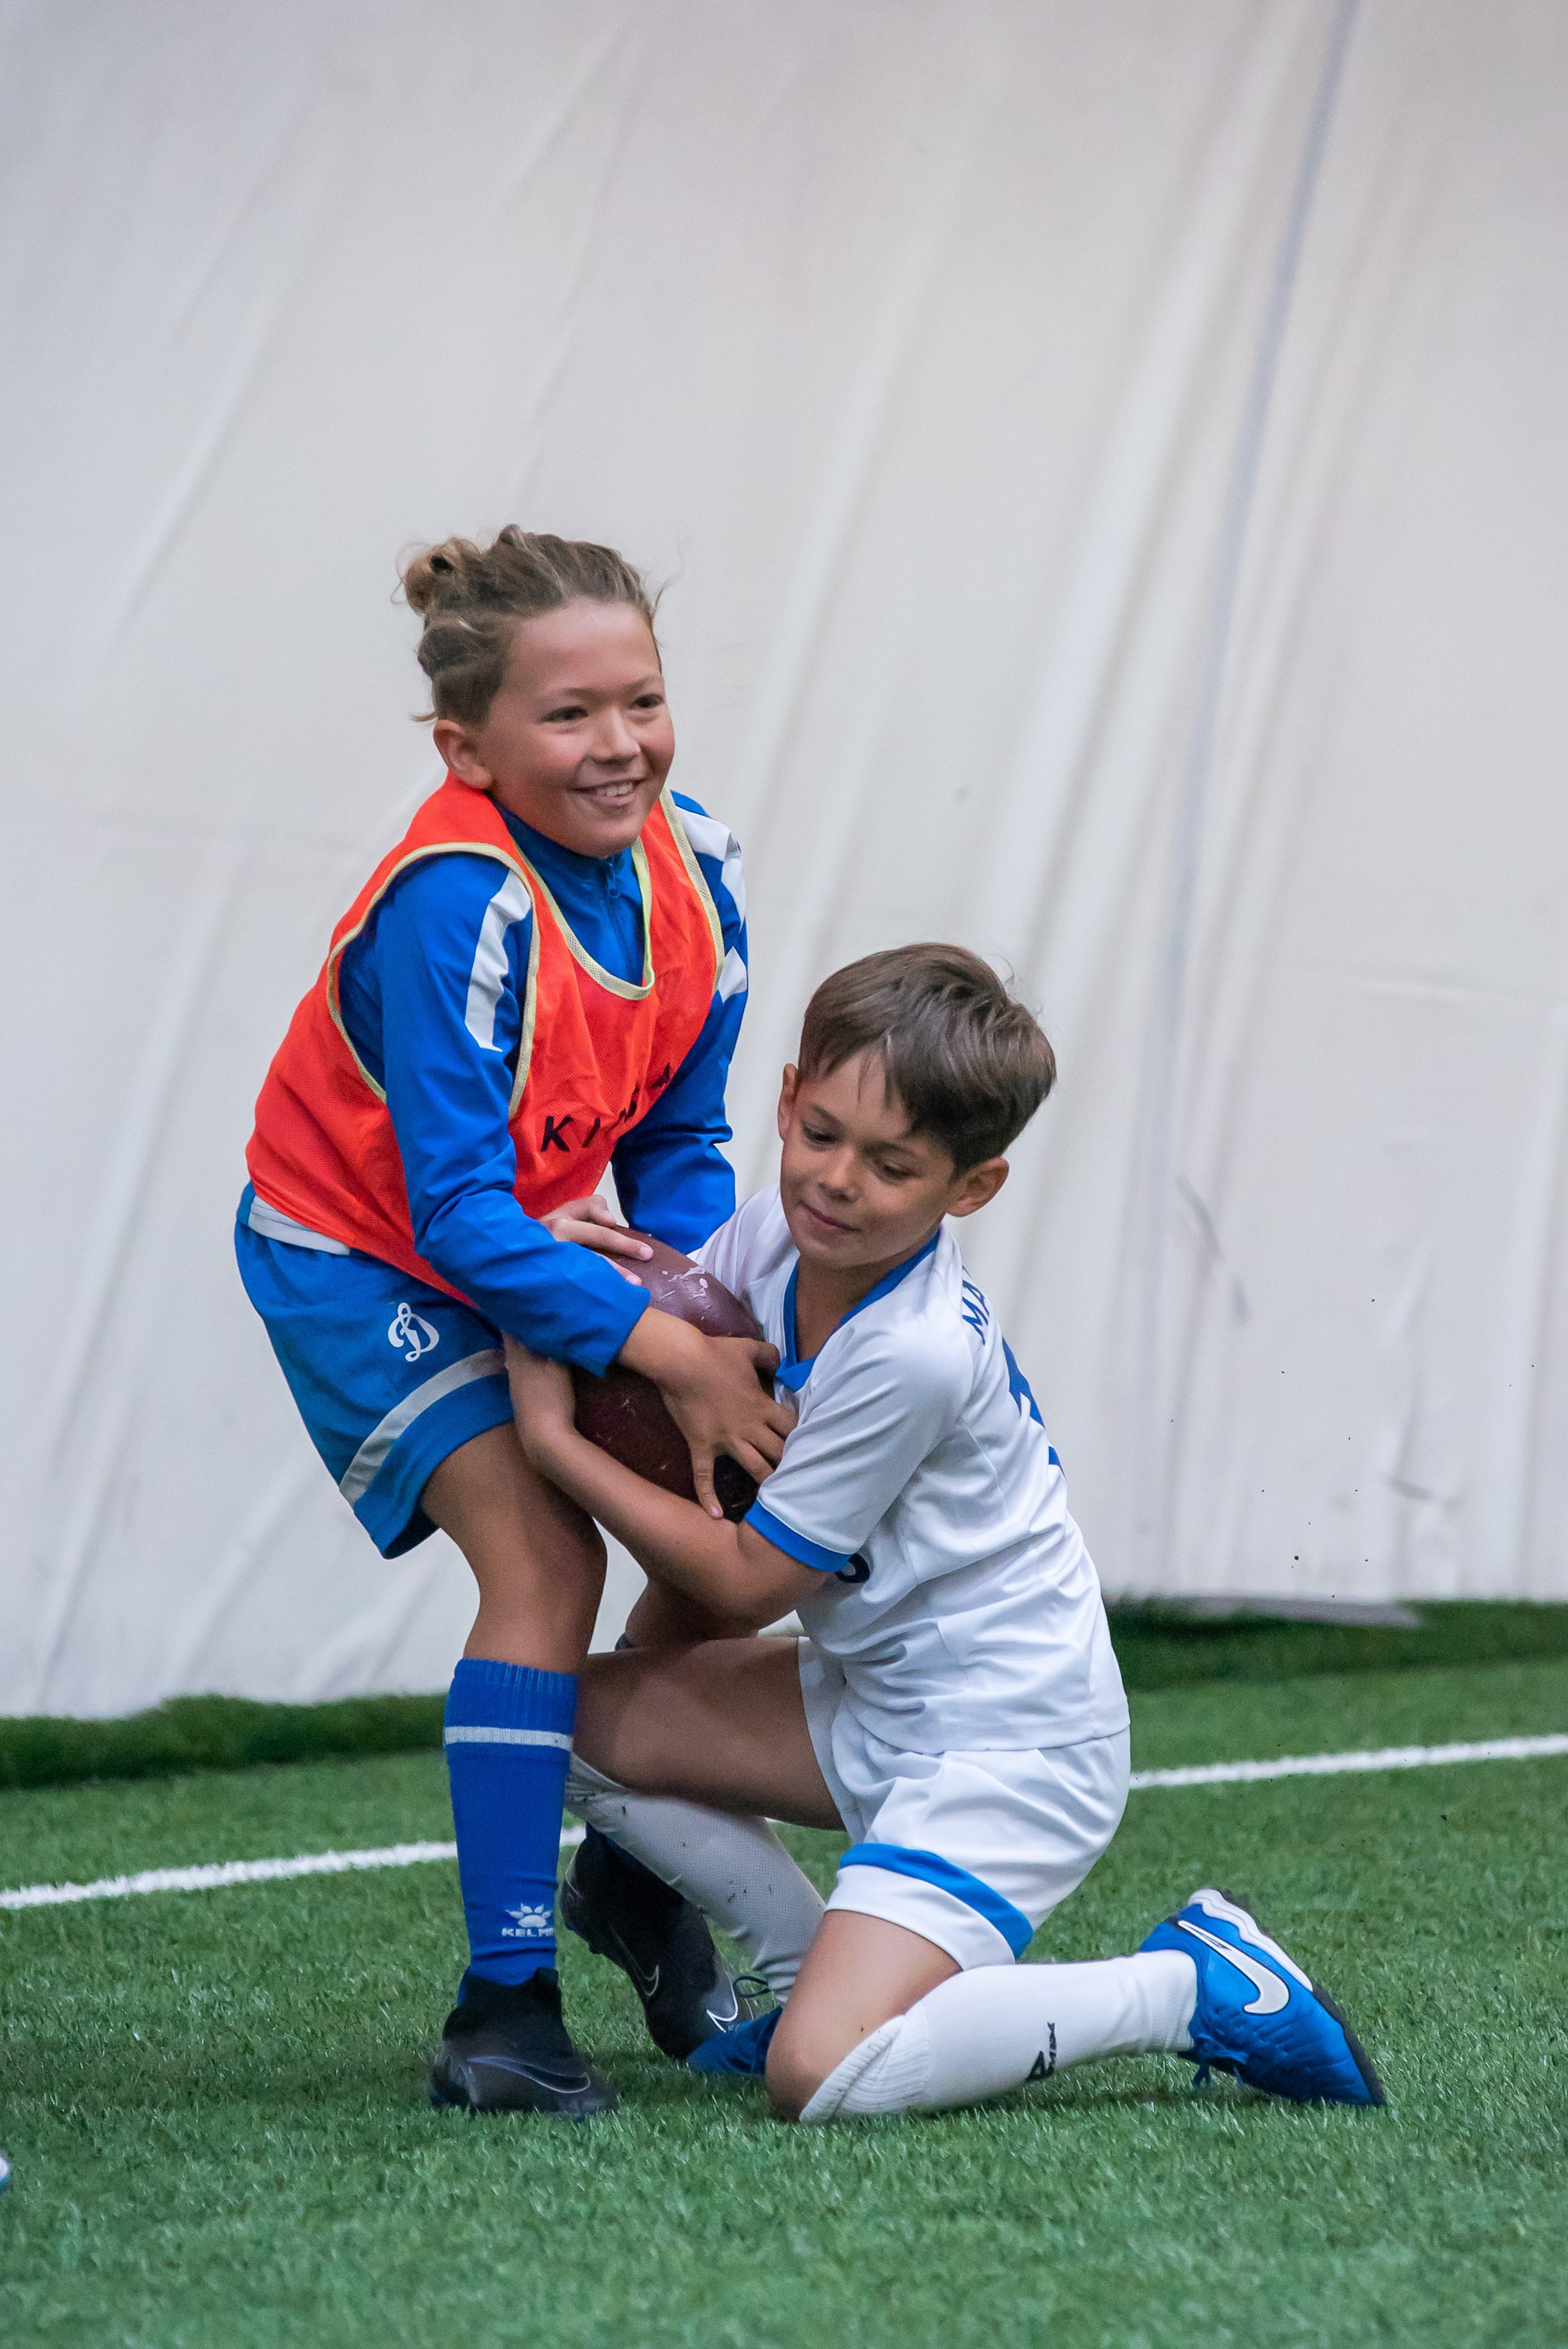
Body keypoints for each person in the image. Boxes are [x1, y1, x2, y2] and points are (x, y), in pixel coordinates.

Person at [507, 945, 1386, 2121]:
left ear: (971, 1189)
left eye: (892, 1165)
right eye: (819, 1134)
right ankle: (798, 1969)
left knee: (822, 2079)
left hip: (1013, 1752)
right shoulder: (773, 1234)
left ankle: (1189, 1985)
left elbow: (743, 1574)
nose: (835, 1182)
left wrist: (554, 1438)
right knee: (540, 1713)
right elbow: (702, 1446)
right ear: (784, 1099)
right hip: (870, 1697)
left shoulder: (911, 1351)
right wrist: (592, 1273)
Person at [237, 528, 794, 2117]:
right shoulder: (457, 900)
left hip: (507, 1234)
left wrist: (700, 1314)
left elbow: (681, 1143)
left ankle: (631, 1862)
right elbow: (455, 1212)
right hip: (358, 1248)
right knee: (549, 1560)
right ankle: (501, 2005)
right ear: (465, 746)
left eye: (645, 699)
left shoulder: (706, 870)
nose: (618, 743)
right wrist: (664, 1347)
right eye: (568, 715)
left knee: (726, 1499)